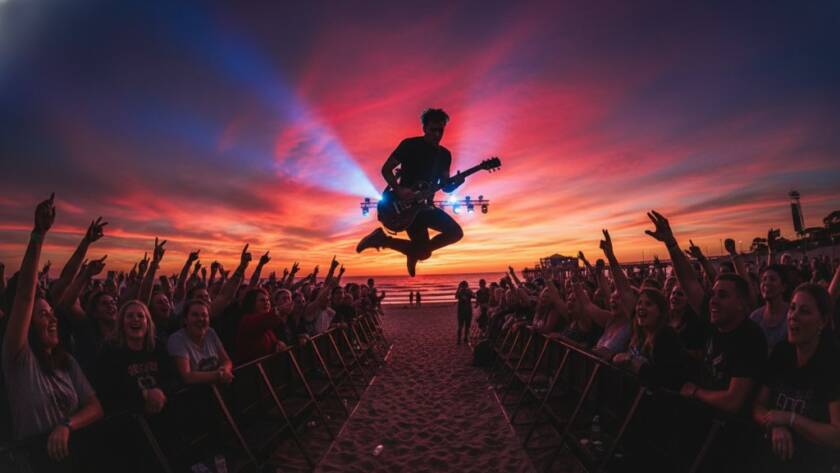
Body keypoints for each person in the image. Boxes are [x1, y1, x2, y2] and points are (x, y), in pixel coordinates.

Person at [2, 195, 104, 467]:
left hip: (77, 458)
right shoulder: (17, 357)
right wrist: (38, 234)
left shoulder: (65, 361)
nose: (53, 319)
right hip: (35, 463)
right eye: (42, 315)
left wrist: (67, 425)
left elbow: (95, 406)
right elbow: (25, 296)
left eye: (52, 313)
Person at [356, 108, 465, 276]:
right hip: (407, 208)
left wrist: (456, 184)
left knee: (454, 234)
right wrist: (399, 189)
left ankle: (385, 241)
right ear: (424, 128)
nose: (437, 134)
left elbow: (445, 186)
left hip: (427, 207)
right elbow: (386, 169)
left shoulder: (444, 155)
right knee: (423, 252)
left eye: (440, 130)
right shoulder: (409, 145)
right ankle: (405, 248)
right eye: (433, 129)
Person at [752, 283, 840, 472]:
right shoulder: (781, 352)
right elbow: (758, 406)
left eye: (805, 311)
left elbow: (836, 435)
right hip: (772, 459)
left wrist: (790, 419)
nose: (793, 316)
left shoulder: (833, 363)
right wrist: (773, 425)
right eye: (792, 308)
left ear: (823, 322)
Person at [93, 300, 175, 415]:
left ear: (148, 323)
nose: (135, 319)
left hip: (162, 409)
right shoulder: (110, 351)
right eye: (130, 316)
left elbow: (173, 378)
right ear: (122, 323)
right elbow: (108, 390)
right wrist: (144, 395)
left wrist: (160, 391)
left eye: (140, 316)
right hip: (128, 416)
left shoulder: (158, 347)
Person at [167, 299, 233, 384]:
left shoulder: (210, 332)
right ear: (185, 320)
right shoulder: (176, 339)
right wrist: (218, 375)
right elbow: (187, 376)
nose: (201, 319)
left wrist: (225, 370)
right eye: (195, 315)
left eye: (204, 315)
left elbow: (226, 360)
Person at [750, 264, 792, 354]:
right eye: (764, 279)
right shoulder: (755, 318)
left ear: (783, 287)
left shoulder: (792, 315)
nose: (766, 283)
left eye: (772, 279)